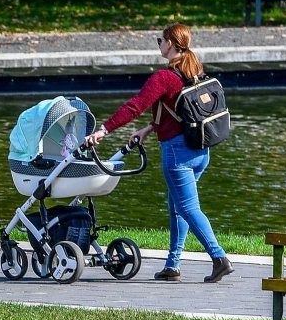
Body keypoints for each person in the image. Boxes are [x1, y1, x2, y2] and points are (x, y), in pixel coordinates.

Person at [85, 23, 233, 284]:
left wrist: (104, 130)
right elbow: (181, 112)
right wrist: (149, 128)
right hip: (201, 151)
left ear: (172, 44)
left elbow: (135, 106)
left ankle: (219, 258)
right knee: (177, 208)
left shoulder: (163, 77)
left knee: (188, 209)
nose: (158, 44)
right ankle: (172, 266)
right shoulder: (193, 70)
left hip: (178, 154)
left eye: (160, 40)